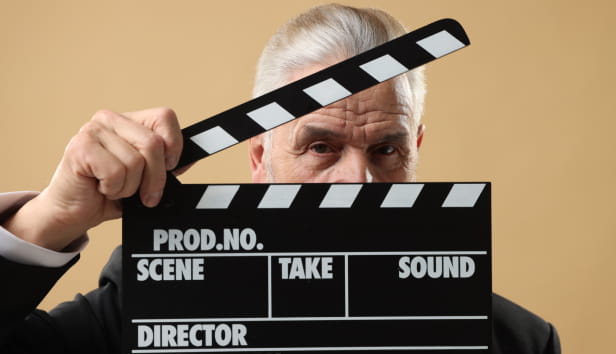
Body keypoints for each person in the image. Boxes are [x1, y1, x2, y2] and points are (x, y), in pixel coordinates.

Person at [0, 4, 560, 354]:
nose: (357, 184)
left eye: (386, 149)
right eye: (320, 147)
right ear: (258, 158)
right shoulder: (152, 305)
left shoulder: (517, 342)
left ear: (414, 151)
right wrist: (48, 220)